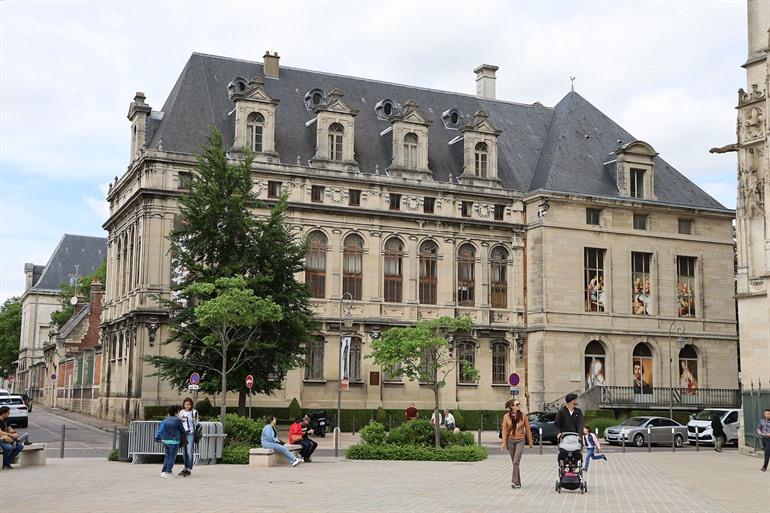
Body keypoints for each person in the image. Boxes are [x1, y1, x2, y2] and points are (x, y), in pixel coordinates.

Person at [500, 399, 534, 488]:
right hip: (510, 441)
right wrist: (504, 442)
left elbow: (528, 429)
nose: (519, 405)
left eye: (519, 404)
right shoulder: (506, 416)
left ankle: (514, 482)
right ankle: (518, 482)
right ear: (512, 406)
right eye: (517, 404)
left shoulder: (523, 416)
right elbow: (504, 430)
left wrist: (530, 442)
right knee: (514, 463)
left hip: (520, 440)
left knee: (516, 461)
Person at [154, 405, 186, 479]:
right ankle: (168, 472)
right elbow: (182, 430)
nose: (179, 413)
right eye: (178, 412)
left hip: (166, 441)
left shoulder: (165, 419)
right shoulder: (178, 420)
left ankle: (163, 472)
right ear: (176, 412)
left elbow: (161, 429)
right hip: (174, 442)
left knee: (167, 457)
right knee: (172, 457)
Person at [177, 397, 198, 477]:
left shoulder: (194, 412)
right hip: (183, 434)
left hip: (190, 433)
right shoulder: (181, 412)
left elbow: (197, 424)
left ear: (191, 405)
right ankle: (185, 468)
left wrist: (194, 420)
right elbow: (178, 421)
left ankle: (189, 469)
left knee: (189, 451)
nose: (187, 406)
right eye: (185, 404)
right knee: (184, 452)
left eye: (188, 404)